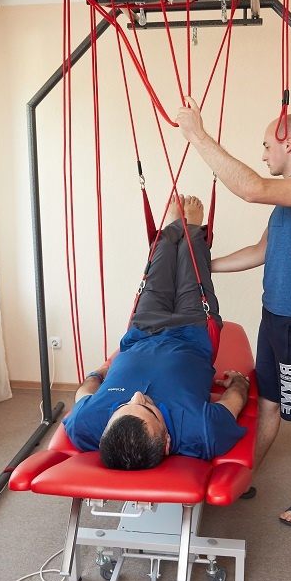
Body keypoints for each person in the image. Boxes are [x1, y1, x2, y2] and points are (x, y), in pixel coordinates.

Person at [175, 98, 291, 528]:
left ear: (288, 142)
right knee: (267, 404)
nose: (263, 155)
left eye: (267, 146)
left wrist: (197, 135)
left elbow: (251, 189)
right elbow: (259, 251)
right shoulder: (286, 203)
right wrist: (203, 266)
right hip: (275, 319)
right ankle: (245, 474)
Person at [62, 194, 250, 470]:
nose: (137, 396)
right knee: (191, 258)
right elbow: (234, 401)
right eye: (147, 407)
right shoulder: (201, 431)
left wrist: (98, 373)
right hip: (193, 331)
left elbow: (83, 394)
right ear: (167, 442)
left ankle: (174, 226)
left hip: (142, 330)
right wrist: (239, 383)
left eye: (123, 406)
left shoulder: (85, 425)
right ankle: (190, 228)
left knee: (160, 254)